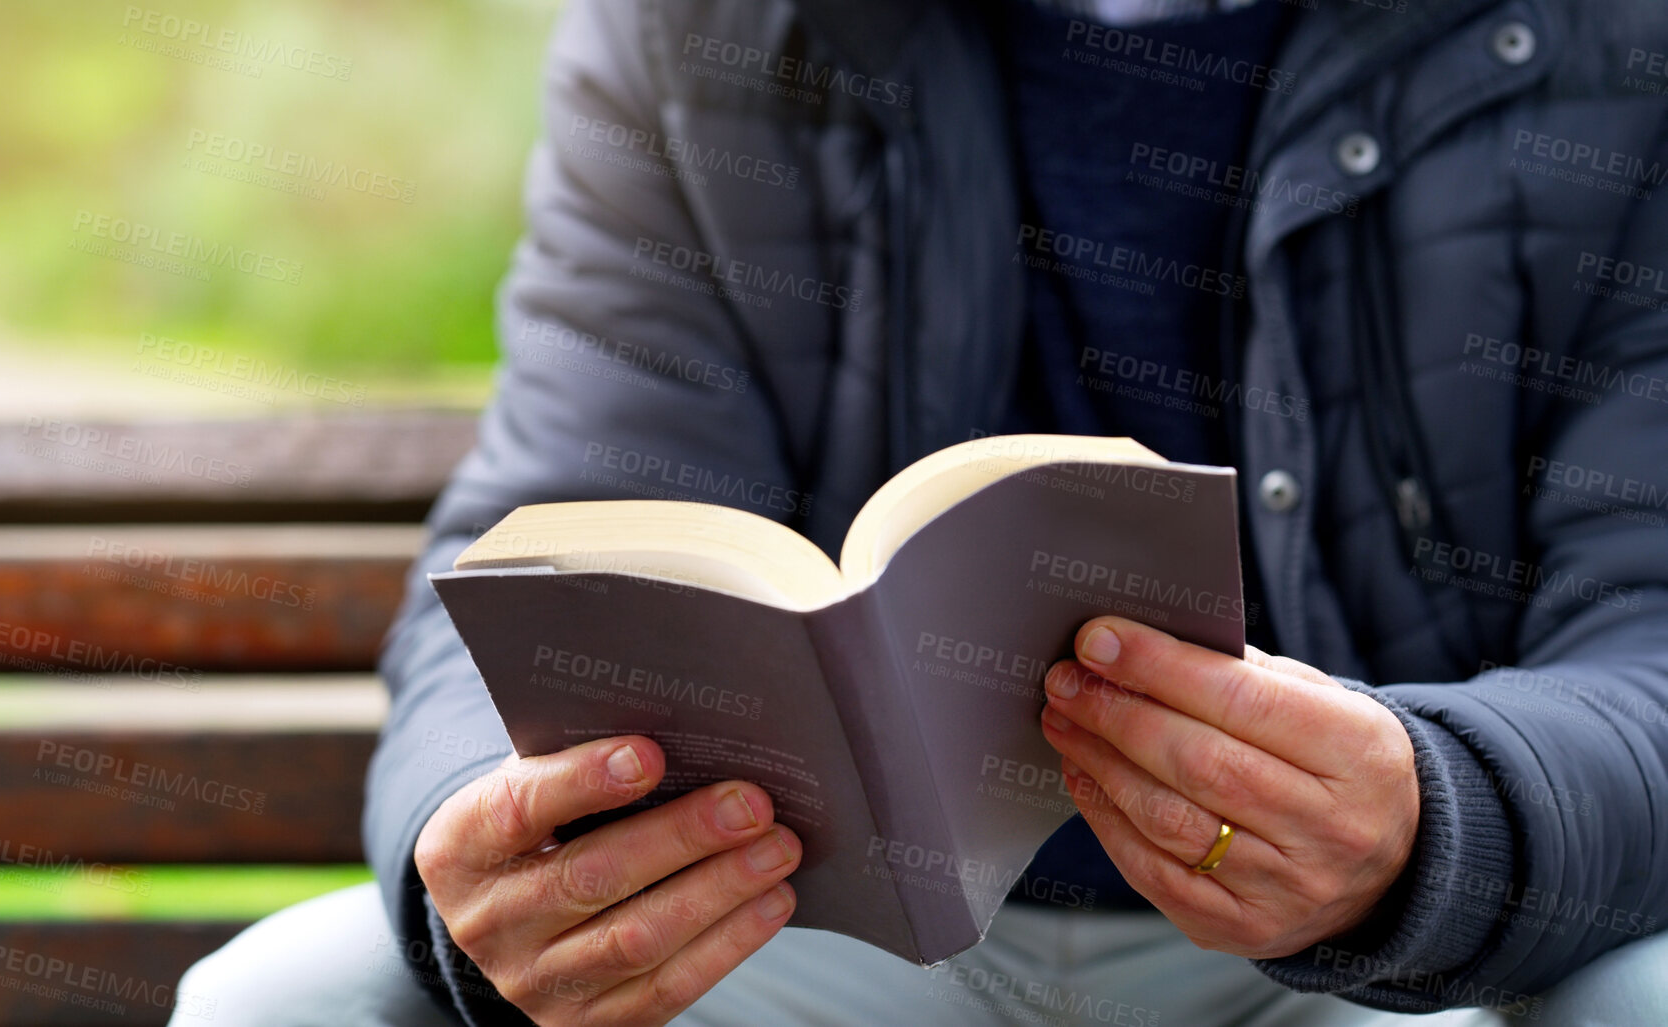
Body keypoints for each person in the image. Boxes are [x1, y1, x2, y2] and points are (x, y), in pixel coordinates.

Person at [173, 0, 1668, 1023]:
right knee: (284, 1004)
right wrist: (492, 860)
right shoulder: (708, 27)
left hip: (1396, 954)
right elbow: (539, 537)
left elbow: (1651, 630)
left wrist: (1440, 825)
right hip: (812, 937)